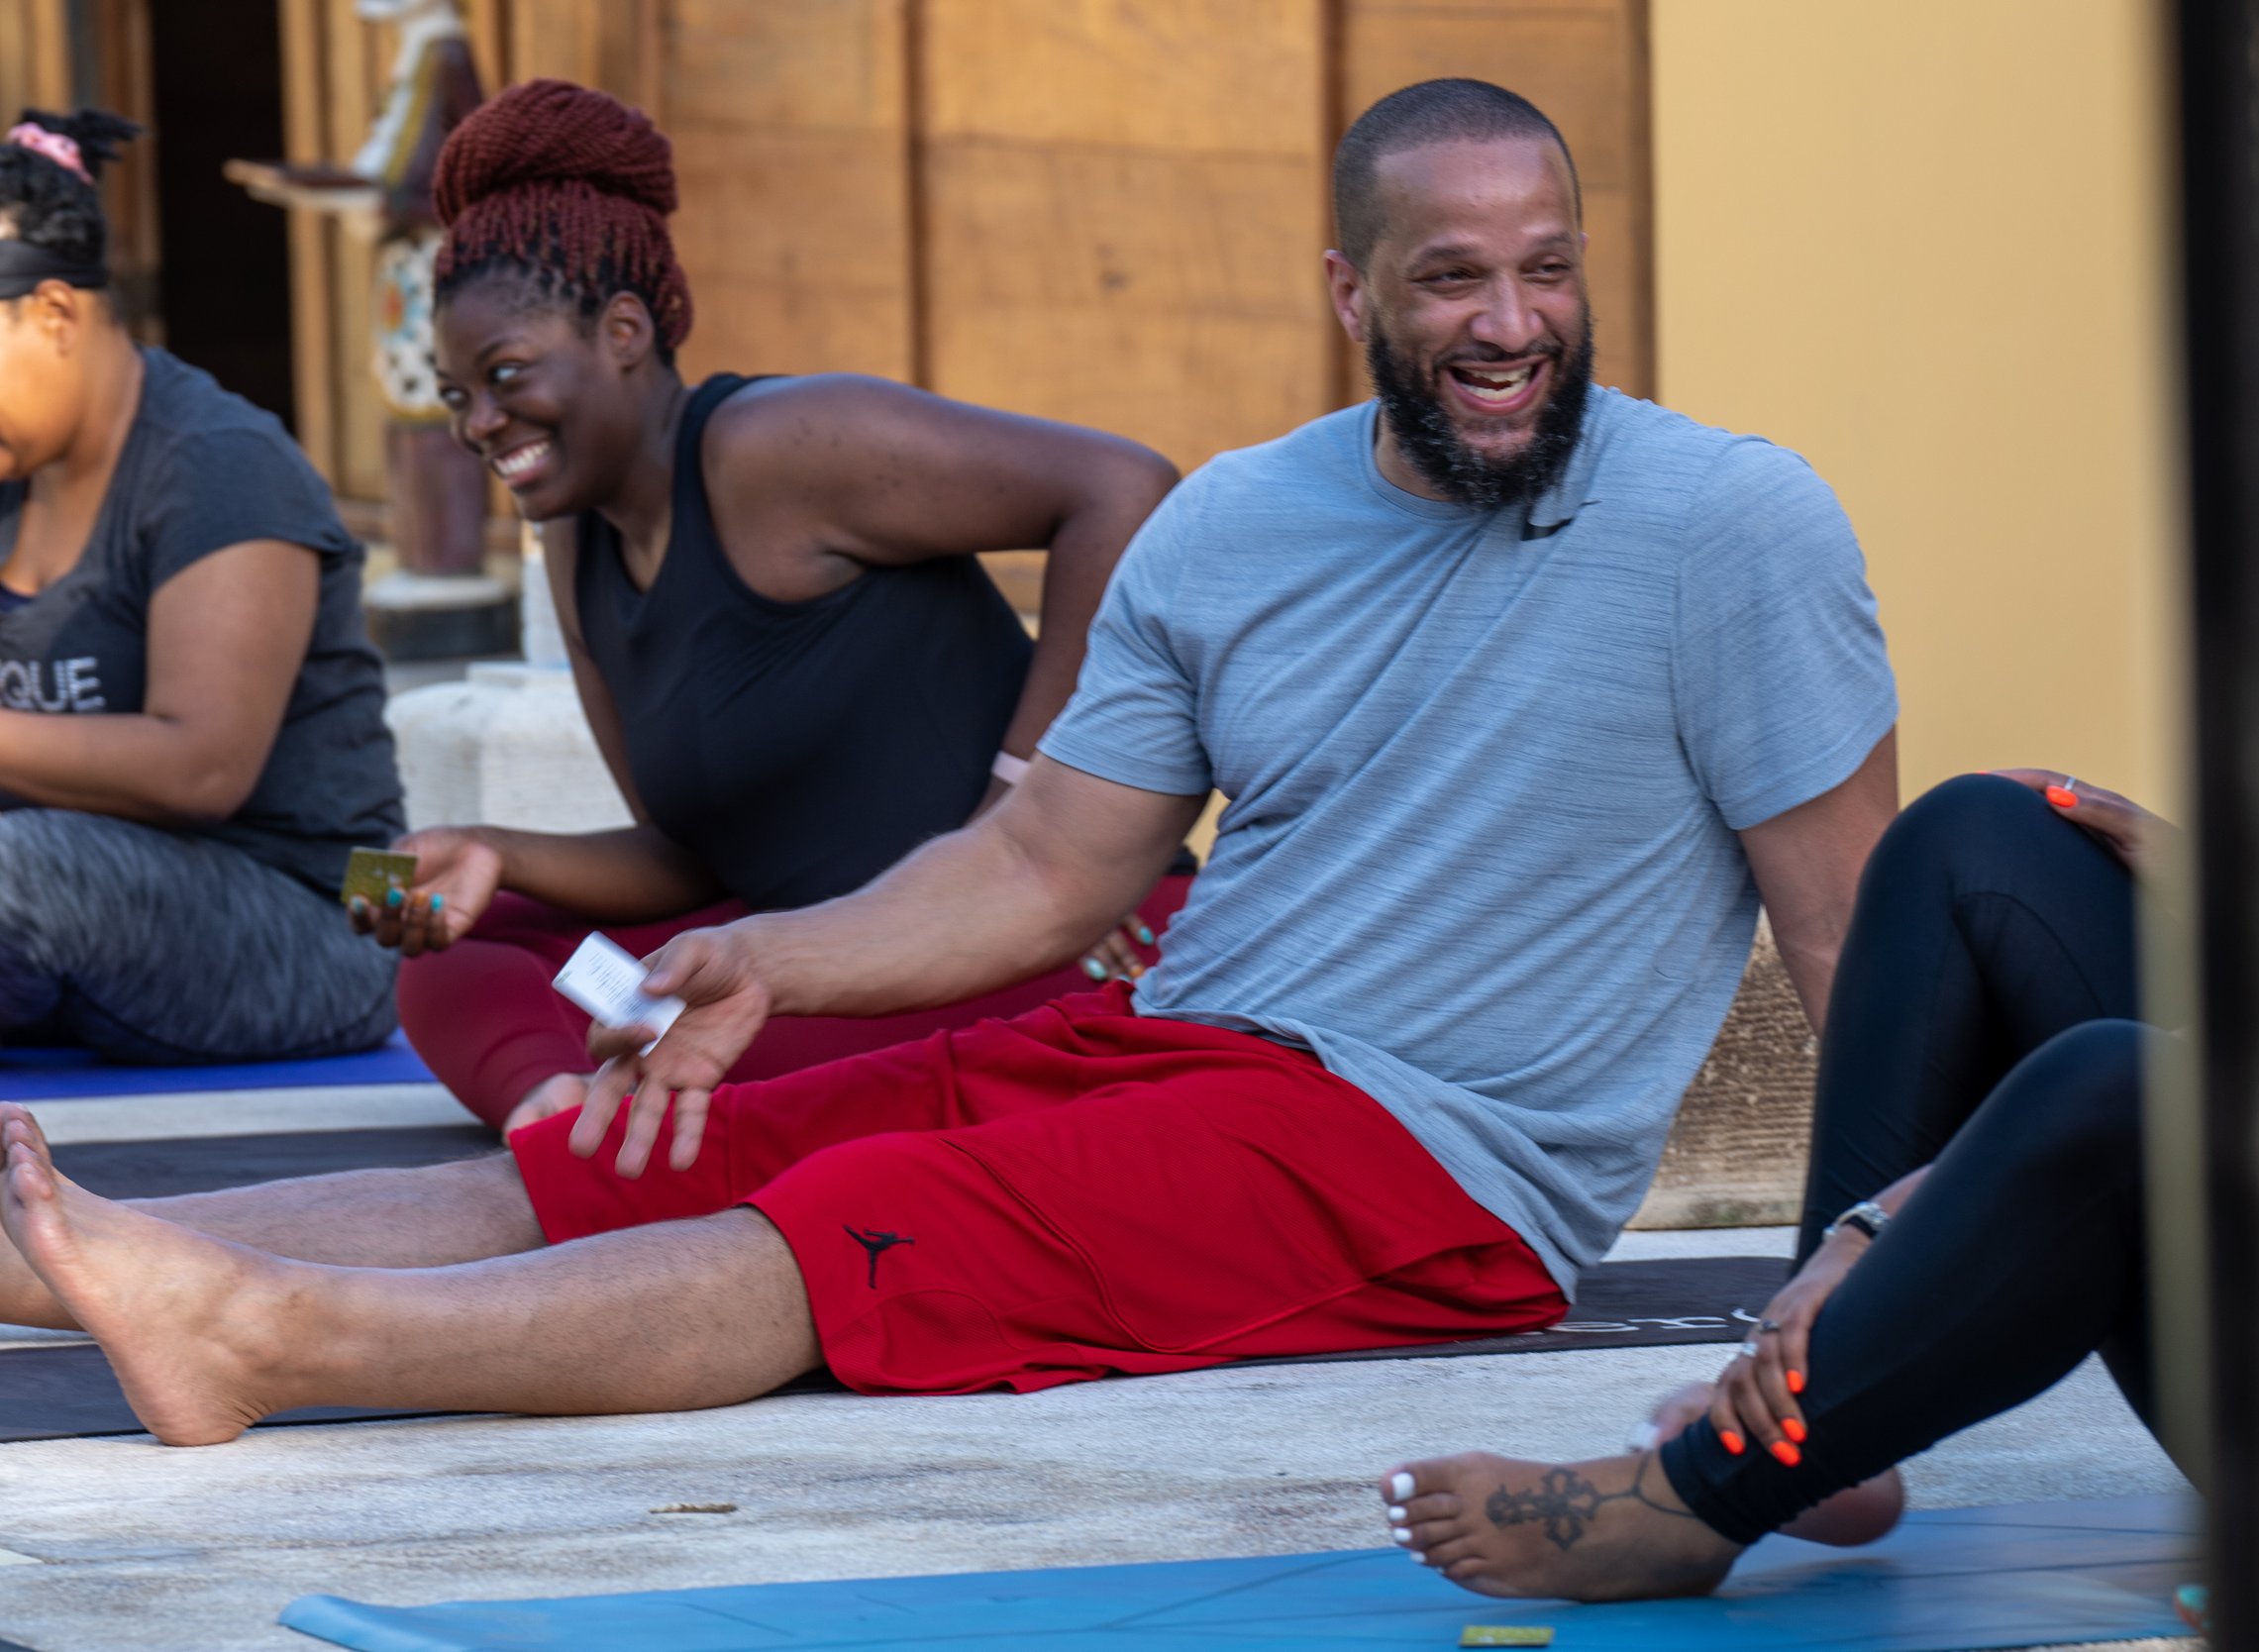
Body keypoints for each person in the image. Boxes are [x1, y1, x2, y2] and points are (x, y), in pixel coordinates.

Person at [0, 79, 1897, 1450]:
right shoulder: (1239, 521)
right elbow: (1047, 867)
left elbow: (1856, 945)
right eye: (1452, 279)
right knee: (635, 1137)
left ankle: (260, 1336)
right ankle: (46, 1257)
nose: (1509, 327)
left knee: (837, 1235)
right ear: (1351, 289)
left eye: (1546, 274)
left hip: (1433, 1161)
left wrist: (1873, 1286)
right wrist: (775, 956)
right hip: (1183, 1039)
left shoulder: (1733, 526)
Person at [1379, 255, 2259, 1643]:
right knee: (1986, 844)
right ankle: (1822, 1408)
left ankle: (1702, 1487)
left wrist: (1869, 1231)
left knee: (2122, 1086)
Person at [348, 80, 1190, 1133]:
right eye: (456, 393)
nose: (481, 423)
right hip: (802, 947)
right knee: (462, 957)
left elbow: (1123, 487)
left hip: (1028, 943)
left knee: (708, 1048)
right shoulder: (574, 538)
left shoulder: (774, 448)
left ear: (623, 329)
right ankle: (559, 1119)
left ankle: (621, 1122)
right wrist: (490, 851)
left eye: (506, 374)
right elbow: (692, 854)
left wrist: (1025, 821)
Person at [0, 110, 403, 1064]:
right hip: (87, 930)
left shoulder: (220, 466)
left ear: (53, 314)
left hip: (308, 925)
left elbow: (202, 769)